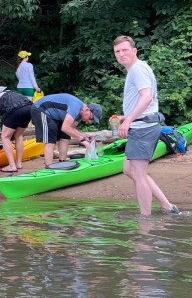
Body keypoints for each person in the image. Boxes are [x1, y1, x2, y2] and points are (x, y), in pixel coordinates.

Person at [112, 35, 179, 216]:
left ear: (134, 51)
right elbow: (146, 102)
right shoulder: (136, 69)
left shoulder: (137, 70)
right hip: (142, 125)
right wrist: (127, 116)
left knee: (139, 174)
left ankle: (145, 219)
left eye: (125, 50)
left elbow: (147, 96)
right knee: (128, 170)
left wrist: (129, 120)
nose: (121, 54)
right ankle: (167, 206)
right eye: (117, 51)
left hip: (143, 129)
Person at [30, 93, 102, 167]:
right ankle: (49, 166)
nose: (89, 121)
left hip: (55, 115)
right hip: (41, 109)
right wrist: (83, 140)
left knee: (65, 137)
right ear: (87, 109)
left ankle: (62, 162)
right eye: (91, 118)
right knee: (51, 140)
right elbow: (65, 127)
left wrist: (85, 136)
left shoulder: (80, 114)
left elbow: (71, 129)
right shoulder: (76, 107)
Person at [0, 86, 32, 173]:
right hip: (29, 106)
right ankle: (19, 163)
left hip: (15, 108)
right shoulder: (5, 92)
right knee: (18, 135)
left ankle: (12, 166)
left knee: (5, 137)